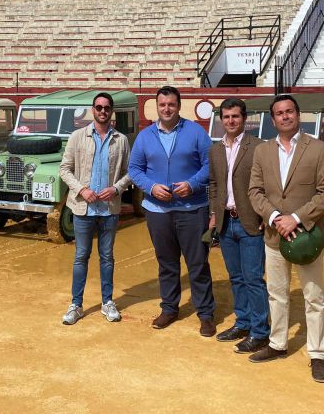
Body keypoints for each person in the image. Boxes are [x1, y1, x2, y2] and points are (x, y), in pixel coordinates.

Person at [247, 94, 324, 383]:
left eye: (289, 112)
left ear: (298, 115)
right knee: (277, 294)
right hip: (274, 235)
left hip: (307, 236)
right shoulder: (262, 151)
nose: (285, 117)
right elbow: (254, 192)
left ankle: (317, 354)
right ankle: (278, 344)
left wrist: (295, 218)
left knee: (314, 297)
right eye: (279, 113)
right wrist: (275, 217)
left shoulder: (319, 149)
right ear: (272, 120)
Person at [128, 86, 216, 337]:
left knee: (197, 263)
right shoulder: (145, 137)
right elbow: (135, 169)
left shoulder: (196, 132)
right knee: (166, 263)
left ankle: (206, 314)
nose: (167, 109)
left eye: (172, 105)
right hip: (157, 210)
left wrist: (193, 184)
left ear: (179, 106)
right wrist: (152, 187)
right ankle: (169, 308)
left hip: (192, 209)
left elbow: (211, 164)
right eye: (162, 105)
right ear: (157, 107)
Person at [59, 92, 132, 325]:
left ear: (111, 111)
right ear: (93, 110)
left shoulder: (120, 140)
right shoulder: (78, 137)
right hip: (83, 208)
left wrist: (116, 189)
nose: (102, 111)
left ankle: (107, 302)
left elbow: (130, 172)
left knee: (107, 257)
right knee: (81, 256)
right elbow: (65, 169)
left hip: (109, 208)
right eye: (99, 107)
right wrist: (82, 190)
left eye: (107, 108)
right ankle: (76, 304)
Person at [208, 98, 269, 354]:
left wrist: (266, 214)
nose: (230, 121)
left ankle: (260, 331)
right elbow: (213, 185)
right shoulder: (215, 150)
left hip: (250, 221)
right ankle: (242, 322)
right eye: (226, 117)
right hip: (225, 222)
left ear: (244, 118)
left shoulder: (259, 147)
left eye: (235, 116)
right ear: (221, 119)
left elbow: (269, 183)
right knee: (236, 278)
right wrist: (213, 213)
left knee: (253, 278)